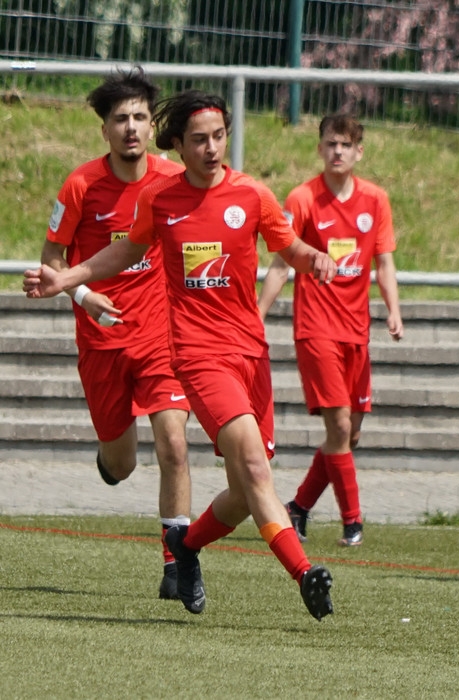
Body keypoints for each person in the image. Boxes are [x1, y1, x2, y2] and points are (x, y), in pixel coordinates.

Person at [24, 90, 339, 621]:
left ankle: (184, 547)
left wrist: (317, 259)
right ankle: (304, 572)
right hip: (188, 354)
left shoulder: (251, 195)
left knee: (240, 487)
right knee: (242, 468)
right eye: (199, 139)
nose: (211, 148)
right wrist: (71, 283)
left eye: (219, 137)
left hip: (242, 353)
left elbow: (291, 249)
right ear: (178, 144)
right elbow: (125, 248)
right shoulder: (152, 197)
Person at [41, 66, 192, 601]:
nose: (131, 127)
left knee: (174, 444)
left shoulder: (174, 182)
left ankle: (178, 565)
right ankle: (110, 462)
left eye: (139, 117)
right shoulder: (80, 185)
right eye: (120, 119)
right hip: (102, 343)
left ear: (152, 127)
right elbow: (52, 261)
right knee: (123, 464)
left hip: (160, 339)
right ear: (104, 129)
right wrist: (85, 296)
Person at [258, 113, 403, 548]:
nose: (337, 151)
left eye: (346, 144)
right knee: (338, 427)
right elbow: (282, 263)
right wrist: (257, 314)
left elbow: (384, 263)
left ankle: (298, 508)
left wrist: (393, 311)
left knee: (349, 434)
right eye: (331, 143)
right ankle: (352, 522)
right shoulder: (302, 198)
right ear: (320, 148)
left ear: (359, 152)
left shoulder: (375, 200)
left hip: (357, 332)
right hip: (316, 328)